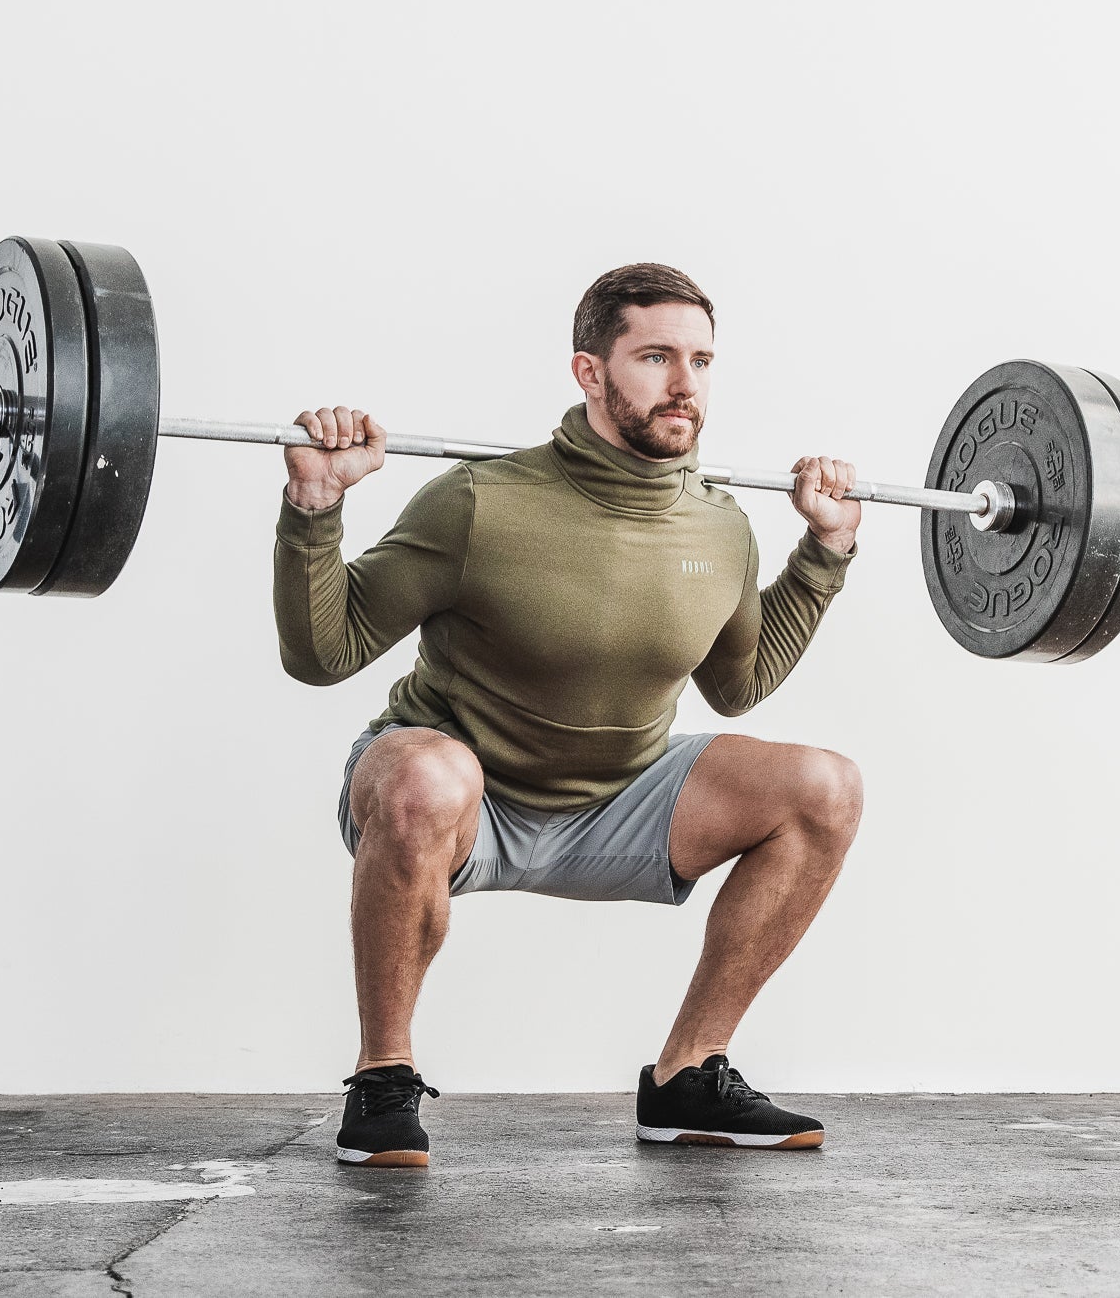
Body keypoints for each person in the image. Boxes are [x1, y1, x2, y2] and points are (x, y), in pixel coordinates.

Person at [274, 263, 863, 1167]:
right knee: (423, 775)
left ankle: (688, 1078)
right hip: (463, 799)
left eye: (701, 361)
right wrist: (316, 509)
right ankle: (383, 1076)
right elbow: (325, 654)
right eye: (656, 357)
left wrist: (825, 551)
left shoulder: (721, 526)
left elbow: (737, 688)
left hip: (622, 802)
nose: (685, 386)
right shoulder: (480, 502)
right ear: (590, 372)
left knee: (824, 788)